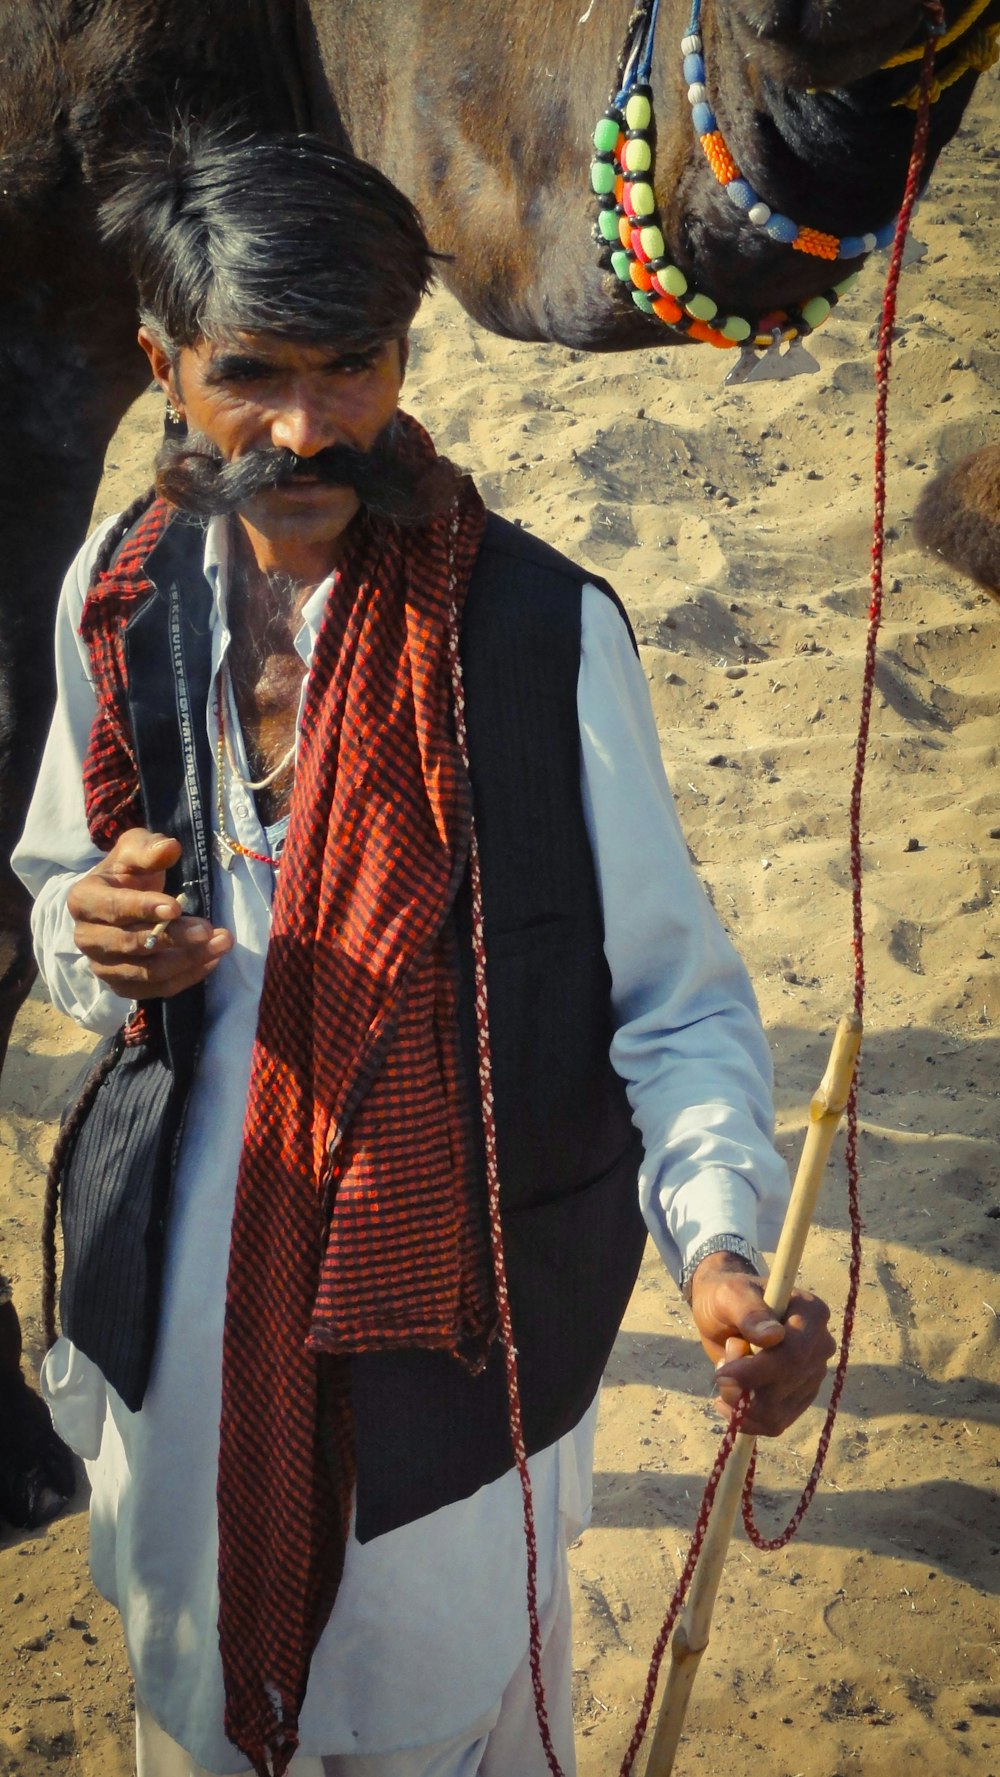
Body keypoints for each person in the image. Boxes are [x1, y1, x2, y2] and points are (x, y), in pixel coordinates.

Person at [13, 130, 835, 1777]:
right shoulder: (117, 596)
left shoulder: (539, 636)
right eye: (252, 375)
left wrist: (726, 1248)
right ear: (165, 367)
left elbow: (674, 1006)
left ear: (405, 356)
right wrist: (90, 936)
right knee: (192, 1712)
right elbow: (50, 883)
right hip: (180, 1301)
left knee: (440, 1704)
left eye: (353, 368)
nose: (308, 429)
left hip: (459, 1331)